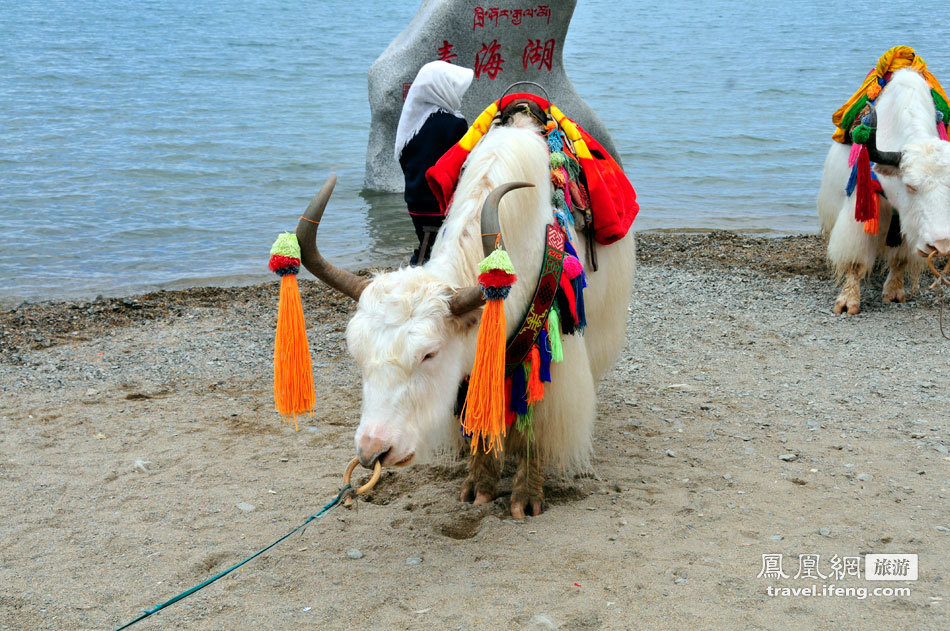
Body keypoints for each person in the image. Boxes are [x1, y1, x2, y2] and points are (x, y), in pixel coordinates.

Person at [394, 60, 474, 265]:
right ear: (442, 89)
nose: (460, 95)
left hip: (415, 205)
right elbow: (466, 165)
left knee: (427, 245)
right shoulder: (453, 124)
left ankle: (421, 260)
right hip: (440, 207)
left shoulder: (411, 123)